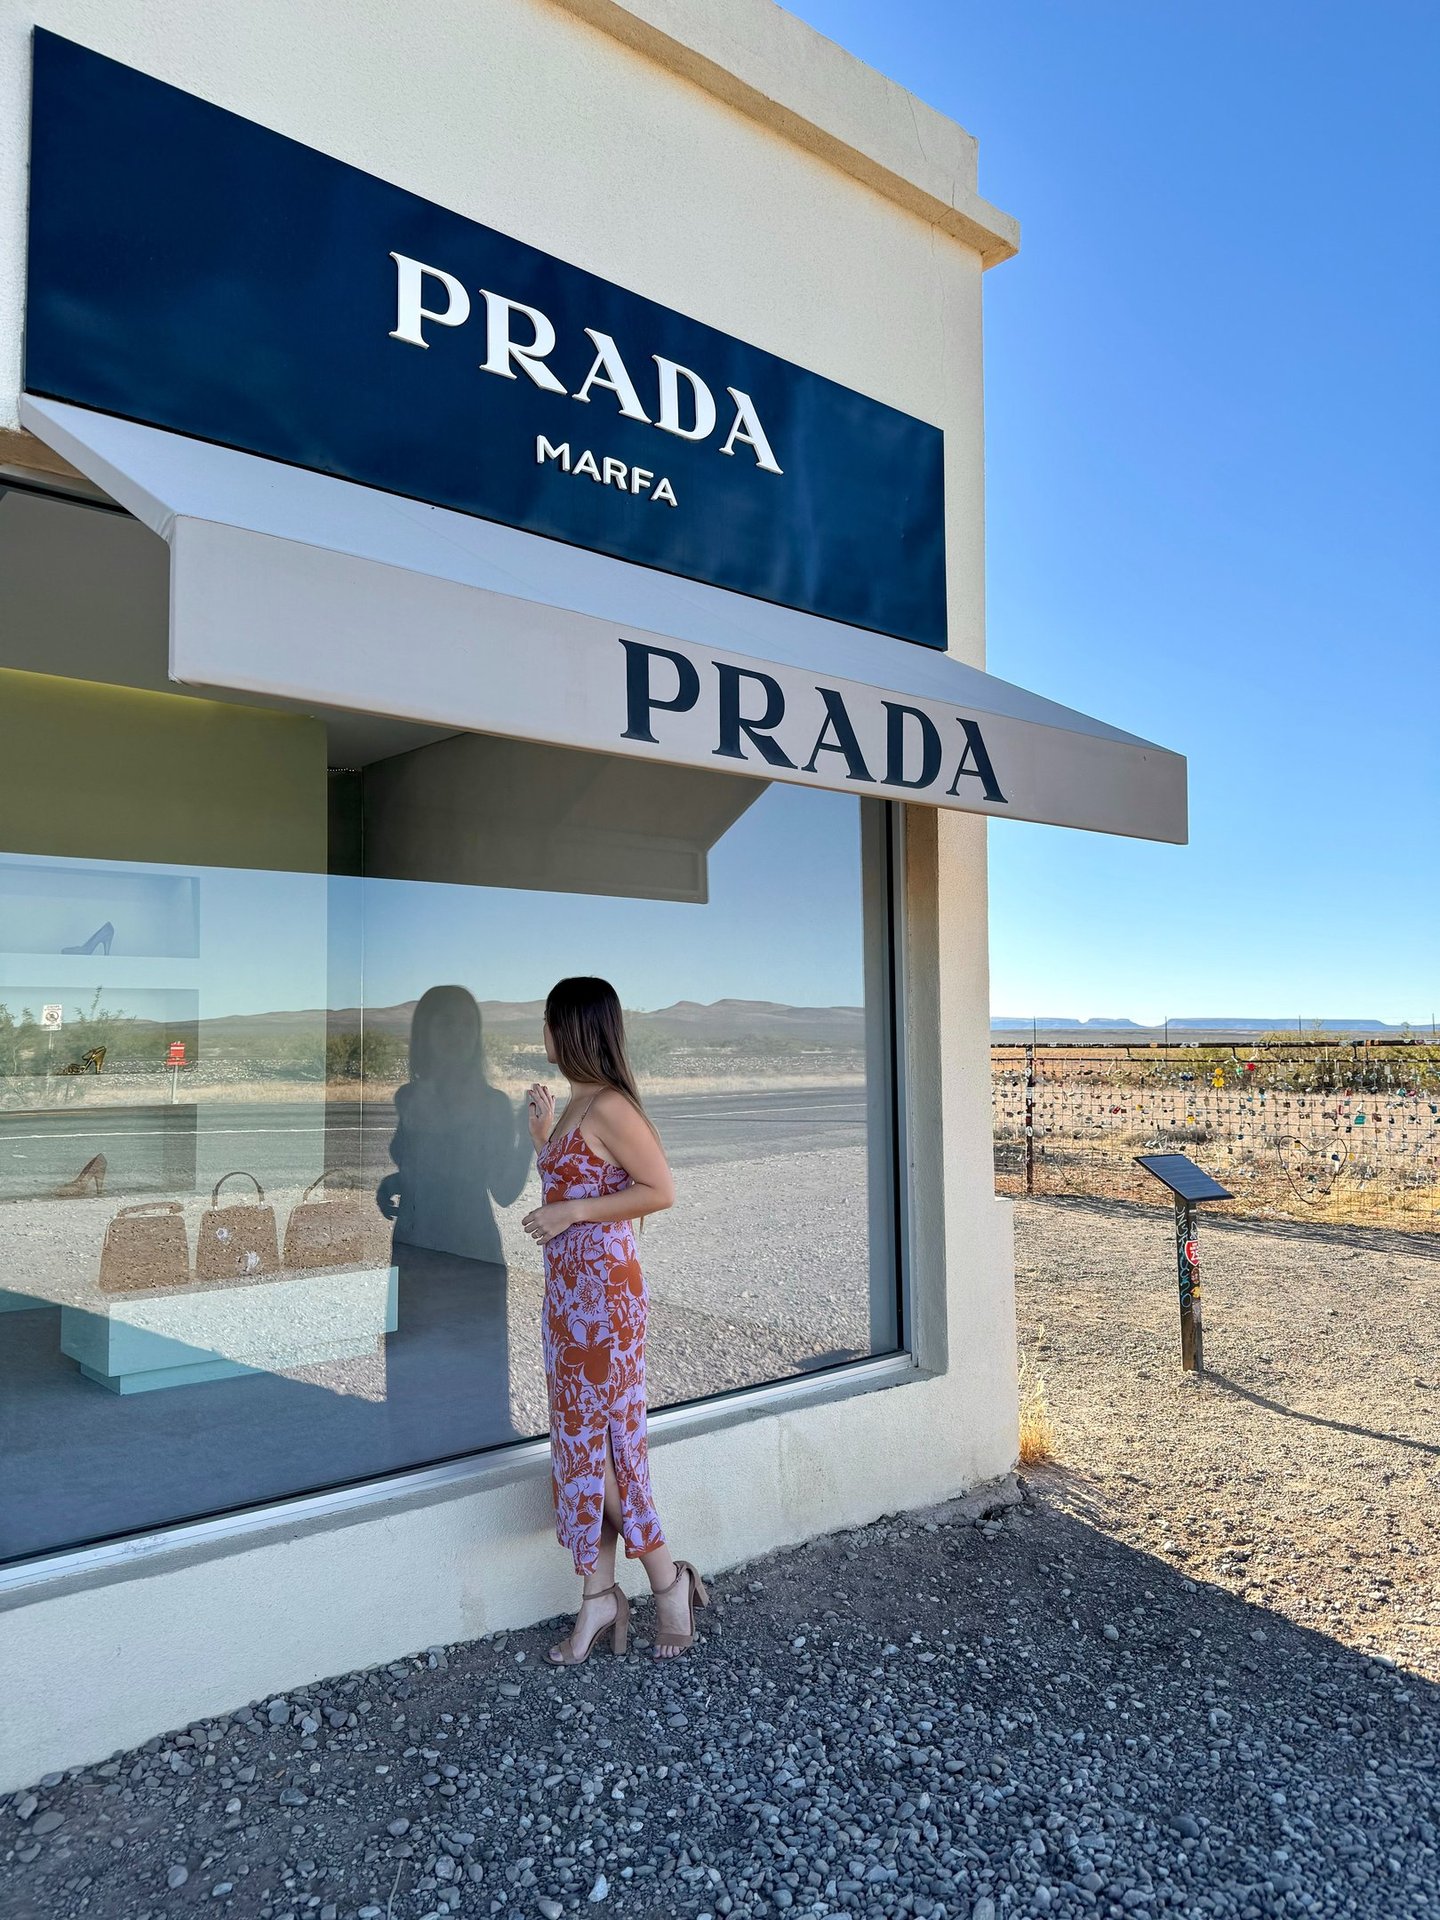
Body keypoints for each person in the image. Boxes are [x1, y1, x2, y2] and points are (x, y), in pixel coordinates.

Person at [522, 976, 708, 1663]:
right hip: (568, 1303)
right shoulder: (575, 1105)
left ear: (570, 1027)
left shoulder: (609, 1105)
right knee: (581, 1447)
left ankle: (667, 1582)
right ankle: (597, 1597)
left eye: (548, 1020)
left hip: (605, 1304)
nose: (541, 1032)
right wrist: (543, 1141)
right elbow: (579, 1182)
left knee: (603, 1452)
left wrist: (569, 1211)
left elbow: (660, 1190)